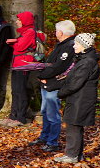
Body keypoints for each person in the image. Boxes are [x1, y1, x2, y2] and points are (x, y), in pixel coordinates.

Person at [31, 21, 76, 153]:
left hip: (54, 84)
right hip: (48, 82)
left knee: (53, 114)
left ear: (61, 33)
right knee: (45, 111)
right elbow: (51, 63)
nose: (56, 33)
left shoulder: (69, 46)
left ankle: (53, 142)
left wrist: (43, 75)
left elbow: (59, 67)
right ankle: (44, 137)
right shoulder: (61, 45)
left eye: (57, 31)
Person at [54, 33, 99, 164]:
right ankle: (76, 154)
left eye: (77, 44)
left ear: (84, 46)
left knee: (73, 126)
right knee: (75, 126)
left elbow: (75, 83)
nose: (74, 46)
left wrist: (60, 93)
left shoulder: (87, 62)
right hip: (79, 98)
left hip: (81, 99)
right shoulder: (84, 59)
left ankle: (72, 155)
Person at [0, 11, 45, 128]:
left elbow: (20, 47)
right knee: (15, 90)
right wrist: (15, 42)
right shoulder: (24, 33)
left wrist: (13, 42)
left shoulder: (29, 32)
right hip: (17, 64)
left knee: (21, 90)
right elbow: (19, 46)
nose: (17, 22)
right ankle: (13, 116)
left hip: (23, 65)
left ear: (25, 21)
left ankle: (21, 117)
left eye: (19, 20)